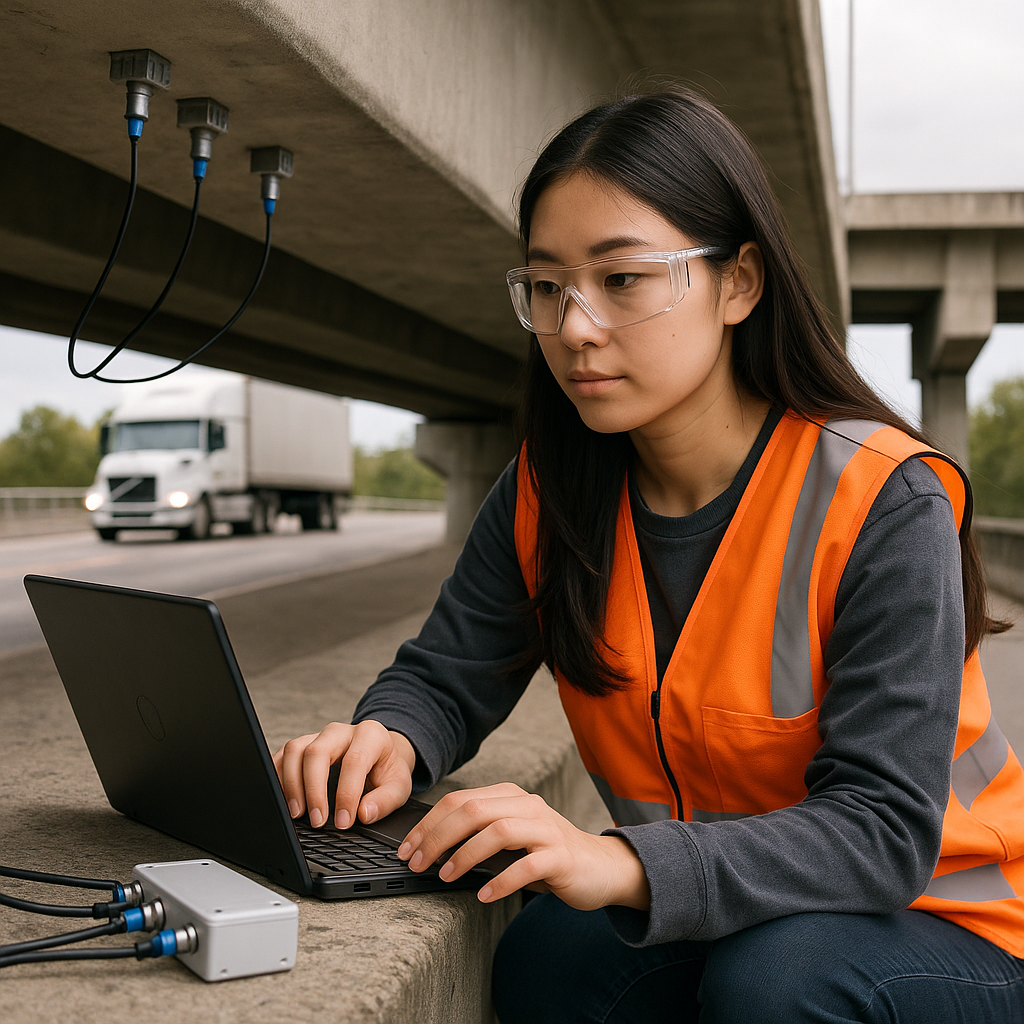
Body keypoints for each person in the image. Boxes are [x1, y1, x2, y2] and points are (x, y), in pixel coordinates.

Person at [273, 87, 1024, 1022]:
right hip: (735, 906)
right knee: (550, 957)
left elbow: (880, 833)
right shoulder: (551, 491)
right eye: (548, 287)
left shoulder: (880, 497)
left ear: (739, 283)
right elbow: (449, 673)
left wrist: (620, 859)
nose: (576, 326)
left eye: (622, 280)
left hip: (949, 920)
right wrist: (385, 738)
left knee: (778, 985)